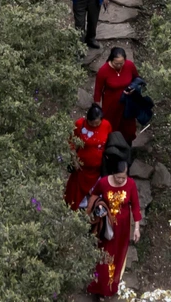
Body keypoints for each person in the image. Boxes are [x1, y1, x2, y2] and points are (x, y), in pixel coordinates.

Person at [86, 162, 143, 297]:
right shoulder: (104, 182)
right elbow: (94, 195)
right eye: (118, 177)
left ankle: (110, 287)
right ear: (113, 173)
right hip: (106, 226)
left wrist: (136, 228)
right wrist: (98, 206)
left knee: (117, 256)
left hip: (122, 228)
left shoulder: (131, 184)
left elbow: (135, 207)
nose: (121, 180)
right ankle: (97, 286)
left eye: (123, 178)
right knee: (104, 256)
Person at [67, 105, 113, 209]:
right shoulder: (79, 124)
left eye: (97, 123)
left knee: (96, 188)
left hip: (97, 167)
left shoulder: (106, 125)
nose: (95, 126)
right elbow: (71, 143)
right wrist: (74, 160)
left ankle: (93, 206)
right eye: (92, 123)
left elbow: (109, 141)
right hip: (81, 167)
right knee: (77, 191)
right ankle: (79, 208)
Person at [94, 49, 138, 138]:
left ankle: (126, 147)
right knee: (111, 128)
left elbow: (137, 79)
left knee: (128, 130)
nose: (119, 65)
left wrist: (134, 88)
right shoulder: (103, 70)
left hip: (127, 104)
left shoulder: (129, 65)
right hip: (111, 105)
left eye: (121, 63)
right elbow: (98, 90)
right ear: (111, 60)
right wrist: (97, 109)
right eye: (116, 63)